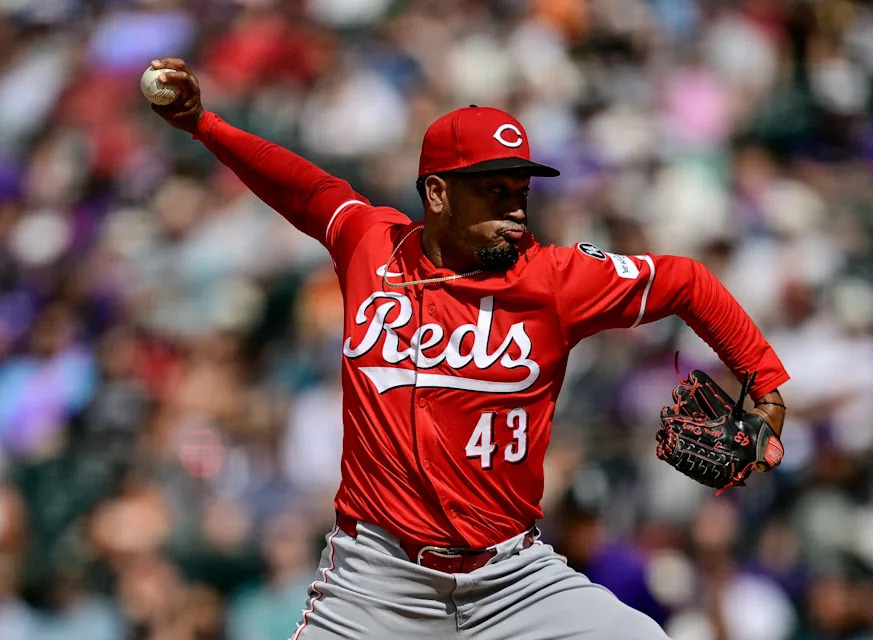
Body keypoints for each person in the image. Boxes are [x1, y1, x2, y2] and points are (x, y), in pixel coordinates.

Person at [149, 57, 789, 639]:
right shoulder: (372, 245)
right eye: (494, 191)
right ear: (437, 193)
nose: (516, 210)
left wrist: (763, 383)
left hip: (514, 579)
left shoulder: (557, 279)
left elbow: (686, 282)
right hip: (376, 580)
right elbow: (305, 189)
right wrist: (206, 124)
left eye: (520, 192)